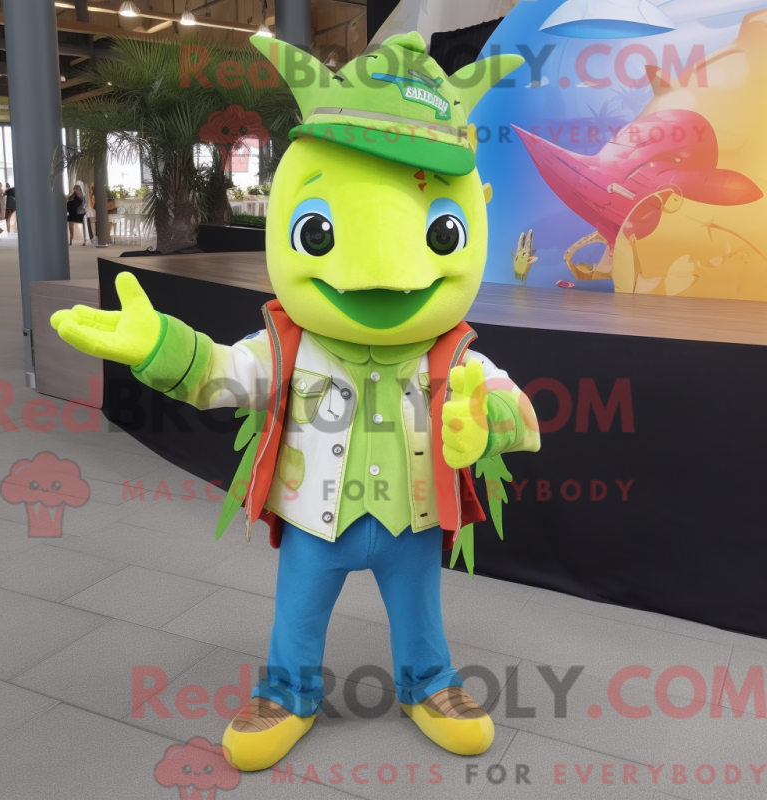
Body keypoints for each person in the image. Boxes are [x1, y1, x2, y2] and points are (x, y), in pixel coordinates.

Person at [52, 33, 538, 773]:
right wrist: (160, 346)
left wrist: (485, 420)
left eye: (444, 232)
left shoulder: (451, 355)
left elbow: (514, 406)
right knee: (298, 614)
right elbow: (222, 374)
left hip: (411, 519)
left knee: (420, 611)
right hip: (317, 518)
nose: (383, 272)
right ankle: (288, 693)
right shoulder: (288, 347)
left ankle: (428, 682)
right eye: (319, 230)